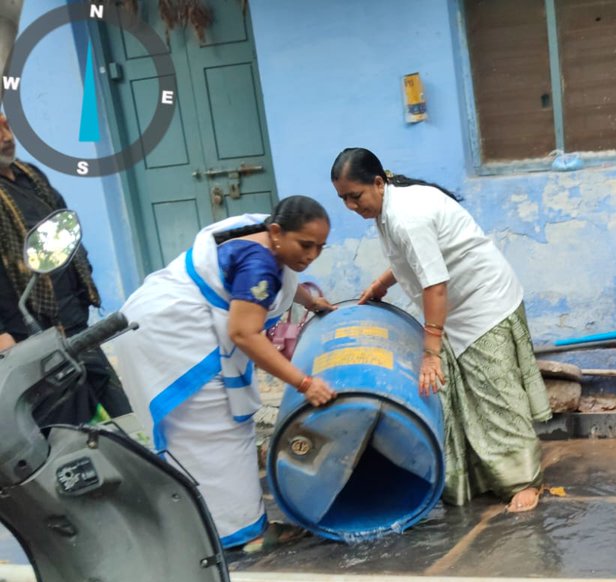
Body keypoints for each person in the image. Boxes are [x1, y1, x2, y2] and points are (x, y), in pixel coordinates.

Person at [330, 148, 549, 514]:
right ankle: (480, 477)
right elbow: (412, 259)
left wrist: (430, 353)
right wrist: (383, 283)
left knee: (496, 398)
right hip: (455, 310)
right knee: (457, 399)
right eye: (343, 199)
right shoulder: (389, 209)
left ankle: (526, 481)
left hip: (483, 306)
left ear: (378, 183)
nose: (352, 206)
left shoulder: (406, 215)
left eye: (356, 196)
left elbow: (435, 284)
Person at [113, 196, 337, 551]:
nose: (311, 256)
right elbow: (244, 334)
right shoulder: (259, 266)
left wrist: (311, 302)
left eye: (320, 248)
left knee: (196, 440)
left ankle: (197, 526)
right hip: (177, 338)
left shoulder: (262, 229)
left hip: (152, 317)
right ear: (277, 231)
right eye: (305, 245)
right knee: (218, 434)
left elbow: (286, 278)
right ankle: (240, 533)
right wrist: (304, 383)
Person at [0, 113, 132, 426]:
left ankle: (143, 461)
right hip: (25, 332)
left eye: (6, 125)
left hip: (72, 319)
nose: (6, 137)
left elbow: (65, 225)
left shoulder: (30, 175)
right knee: (64, 422)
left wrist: (82, 277)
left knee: (120, 409)